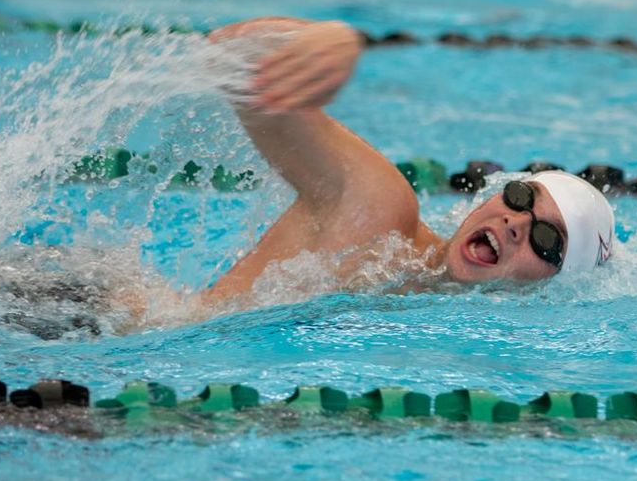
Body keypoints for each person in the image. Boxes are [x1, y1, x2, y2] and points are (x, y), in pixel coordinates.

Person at [199, 17, 615, 307]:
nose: (517, 222)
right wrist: (331, 38)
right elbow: (233, 56)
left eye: (547, 239)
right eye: (521, 196)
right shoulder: (379, 214)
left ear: (556, 285)